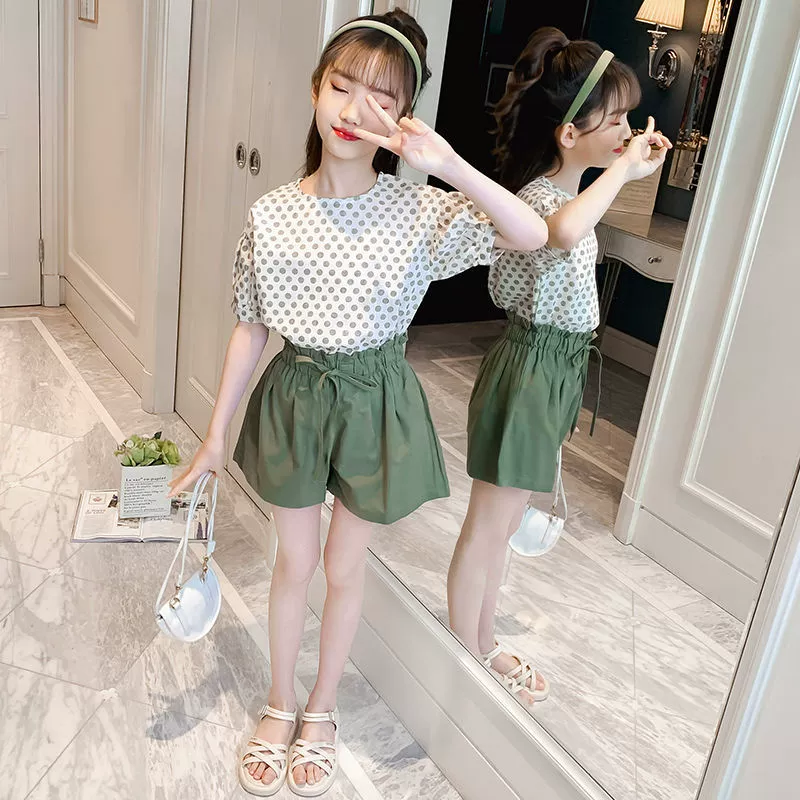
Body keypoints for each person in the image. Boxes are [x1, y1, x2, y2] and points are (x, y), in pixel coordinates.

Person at [168, 9, 548, 797]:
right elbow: (251, 325)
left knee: (346, 567)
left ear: (403, 117)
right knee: (295, 562)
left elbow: (530, 233)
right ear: (315, 89)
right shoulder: (272, 212)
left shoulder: (419, 210)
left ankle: (322, 707)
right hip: (297, 396)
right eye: (342, 86)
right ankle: (280, 702)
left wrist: (447, 163)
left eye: (382, 98)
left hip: (377, 400)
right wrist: (214, 435)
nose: (354, 110)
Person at [446, 26, 671, 708]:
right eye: (617, 119)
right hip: (530, 367)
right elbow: (564, 231)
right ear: (570, 134)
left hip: (554, 367)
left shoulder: (566, 192)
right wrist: (624, 172)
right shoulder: (542, 200)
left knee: (503, 523)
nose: (628, 131)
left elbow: (579, 220)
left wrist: (627, 170)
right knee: (489, 526)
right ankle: (466, 652)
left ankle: (480, 640)